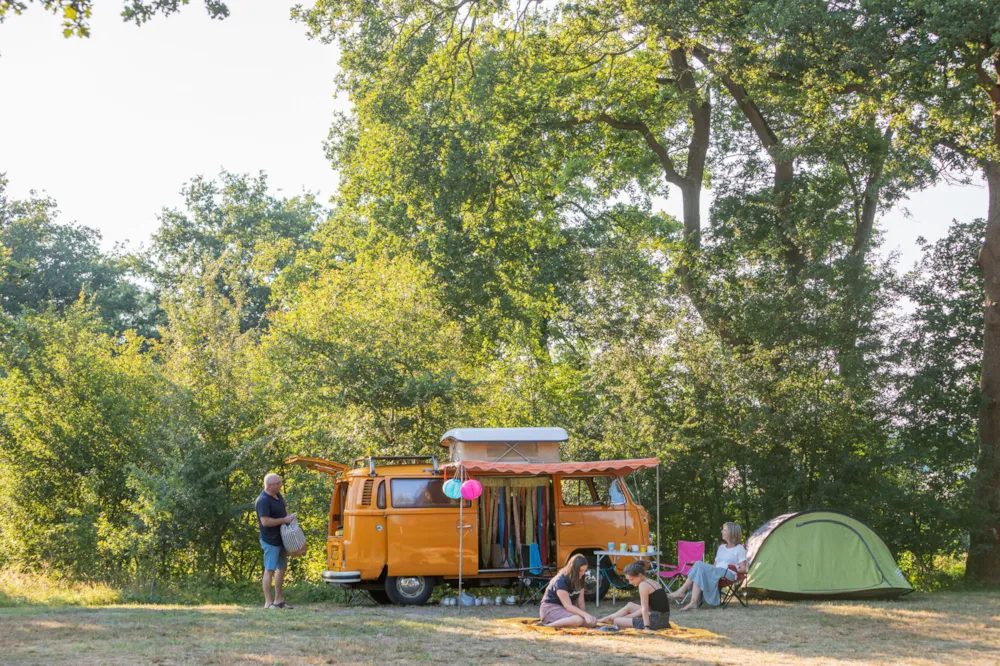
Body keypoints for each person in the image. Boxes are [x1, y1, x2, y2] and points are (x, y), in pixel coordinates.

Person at [668, 521, 746, 611]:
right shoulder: (721, 548)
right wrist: (701, 566)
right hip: (717, 572)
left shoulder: (739, 548)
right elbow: (714, 566)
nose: (721, 531)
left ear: (732, 533)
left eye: (724, 530)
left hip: (729, 573)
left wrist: (734, 568)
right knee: (699, 569)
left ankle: (682, 591)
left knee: (699, 565)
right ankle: (693, 602)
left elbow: (743, 569)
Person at [256, 473, 297, 610]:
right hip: (270, 540)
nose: (281, 484)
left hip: (282, 539)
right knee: (269, 570)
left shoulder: (278, 496)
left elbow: (282, 512)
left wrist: (289, 518)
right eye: (278, 483)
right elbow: (265, 522)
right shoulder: (263, 500)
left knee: (282, 568)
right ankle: (268, 603)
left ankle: (279, 600)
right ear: (270, 486)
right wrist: (283, 520)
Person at [597, 561, 671, 630]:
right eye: (628, 580)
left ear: (640, 576)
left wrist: (647, 627)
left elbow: (645, 608)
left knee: (616, 621)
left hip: (656, 622)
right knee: (630, 605)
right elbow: (649, 607)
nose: (630, 583)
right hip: (662, 619)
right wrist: (629, 616)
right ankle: (605, 619)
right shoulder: (651, 581)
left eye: (631, 579)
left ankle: (608, 619)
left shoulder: (643, 585)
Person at [538, 554, 598, 628]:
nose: (583, 573)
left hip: (566, 610)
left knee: (592, 622)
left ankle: (570, 622)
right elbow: (568, 605)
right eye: (580, 570)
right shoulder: (560, 580)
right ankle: (548, 626)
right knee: (578, 620)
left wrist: (586, 616)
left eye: (584, 571)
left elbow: (581, 602)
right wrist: (585, 615)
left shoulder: (581, 578)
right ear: (573, 569)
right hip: (551, 608)